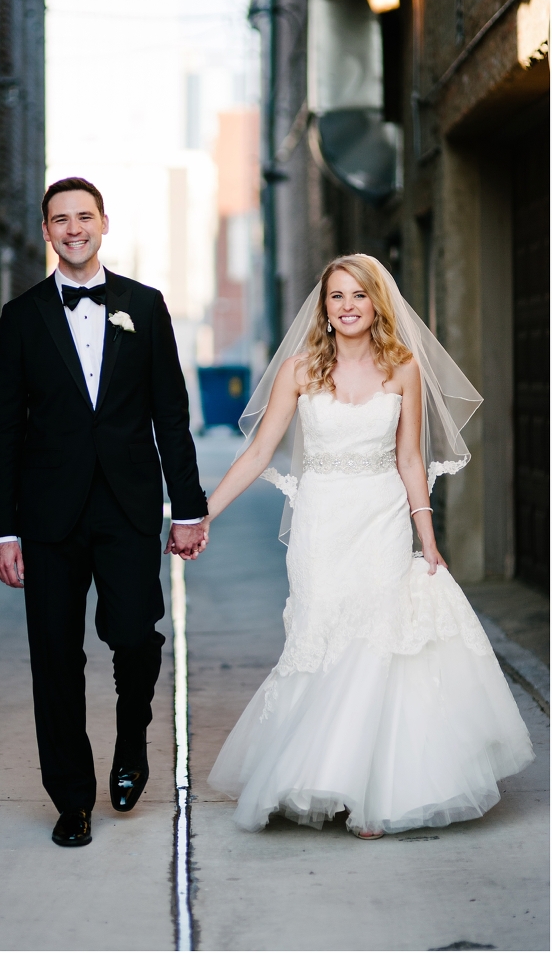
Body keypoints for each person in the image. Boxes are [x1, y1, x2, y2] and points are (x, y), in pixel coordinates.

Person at [203, 254, 534, 839]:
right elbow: (258, 454)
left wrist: (426, 539)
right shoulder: (302, 370)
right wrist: (202, 514)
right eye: (336, 296)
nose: (348, 306)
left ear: (377, 302)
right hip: (322, 523)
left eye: (359, 295)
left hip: (380, 519)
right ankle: (316, 774)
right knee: (320, 638)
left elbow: (409, 458)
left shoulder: (402, 368)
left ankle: (366, 795)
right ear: (324, 307)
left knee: (374, 646)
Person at [0, 177, 208, 848]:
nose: (73, 228)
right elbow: (5, 430)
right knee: (54, 656)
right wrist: (5, 528)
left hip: (127, 505)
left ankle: (133, 741)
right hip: (48, 515)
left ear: (104, 224)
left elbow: (170, 413)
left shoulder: (146, 305)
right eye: (61, 219)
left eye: (84, 217)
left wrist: (188, 508)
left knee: (135, 635)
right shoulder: (21, 317)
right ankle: (72, 800)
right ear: (47, 231)